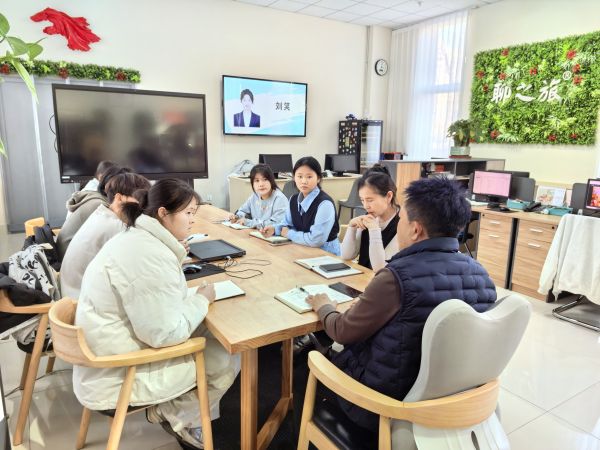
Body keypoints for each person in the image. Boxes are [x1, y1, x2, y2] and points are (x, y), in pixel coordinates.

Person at [306, 177, 497, 433]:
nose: (398, 226)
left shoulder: (396, 278)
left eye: (402, 220)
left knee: (309, 360)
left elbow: (342, 331)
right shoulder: (483, 276)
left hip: (384, 407)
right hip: (454, 406)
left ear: (415, 230)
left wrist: (324, 306)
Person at [73, 179, 240, 449]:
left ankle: (185, 414)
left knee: (211, 334)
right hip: (117, 375)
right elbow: (163, 334)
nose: (192, 220)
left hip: (105, 357)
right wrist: (201, 300)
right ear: (163, 213)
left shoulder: (138, 238)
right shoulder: (147, 253)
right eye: (188, 213)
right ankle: (176, 414)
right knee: (225, 357)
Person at [59, 172, 151, 299]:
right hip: (79, 301)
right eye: (140, 200)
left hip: (71, 292)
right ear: (119, 198)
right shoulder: (115, 227)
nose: (143, 208)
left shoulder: (101, 215)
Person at [261, 156, 340, 255]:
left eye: (309, 177)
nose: (304, 181)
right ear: (294, 178)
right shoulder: (293, 199)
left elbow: (316, 240)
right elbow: (287, 224)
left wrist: (288, 233)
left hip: (326, 254)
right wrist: (275, 229)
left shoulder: (325, 204)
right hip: (302, 250)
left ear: (318, 178)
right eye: (299, 176)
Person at [56, 165, 131, 260]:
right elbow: (117, 234)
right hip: (67, 255)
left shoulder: (95, 197)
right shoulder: (99, 205)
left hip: (68, 253)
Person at [341, 165, 399, 272]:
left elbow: (379, 268)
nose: (365, 206)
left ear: (389, 196)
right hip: (361, 278)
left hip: (382, 281)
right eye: (362, 200)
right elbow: (346, 255)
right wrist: (351, 228)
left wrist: (374, 230)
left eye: (370, 200)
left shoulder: (401, 223)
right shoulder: (369, 217)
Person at [228, 164, 287, 229]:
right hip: (256, 232)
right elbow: (243, 211)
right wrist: (237, 217)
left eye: (265, 179)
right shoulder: (255, 196)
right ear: (252, 183)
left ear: (271, 180)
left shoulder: (279, 199)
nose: (261, 184)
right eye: (257, 181)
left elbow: (275, 224)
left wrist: (248, 222)